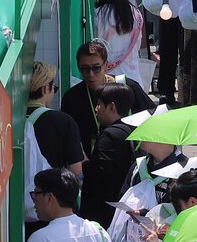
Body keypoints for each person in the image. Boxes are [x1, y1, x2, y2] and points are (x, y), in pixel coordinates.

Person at [61, 41, 156, 156]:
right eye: (85, 69)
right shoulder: (72, 97)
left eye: (96, 68)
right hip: (91, 162)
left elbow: (152, 117)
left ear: (106, 66)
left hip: (128, 157)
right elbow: (67, 136)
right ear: (78, 67)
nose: (91, 74)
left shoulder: (127, 87)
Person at [79, 82, 136, 224]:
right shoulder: (131, 130)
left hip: (103, 211)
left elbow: (98, 172)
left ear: (111, 107)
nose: (96, 109)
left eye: (99, 104)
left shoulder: (109, 135)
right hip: (121, 206)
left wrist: (84, 161)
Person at [25, 61, 85, 187]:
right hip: (51, 196)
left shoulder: (10, 118)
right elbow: (76, 169)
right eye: (54, 88)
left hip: (15, 198)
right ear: (46, 87)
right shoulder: (64, 121)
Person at [95, 0, 144, 85]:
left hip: (109, 82)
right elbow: (137, 46)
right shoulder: (136, 14)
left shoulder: (98, 15)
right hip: (134, 81)